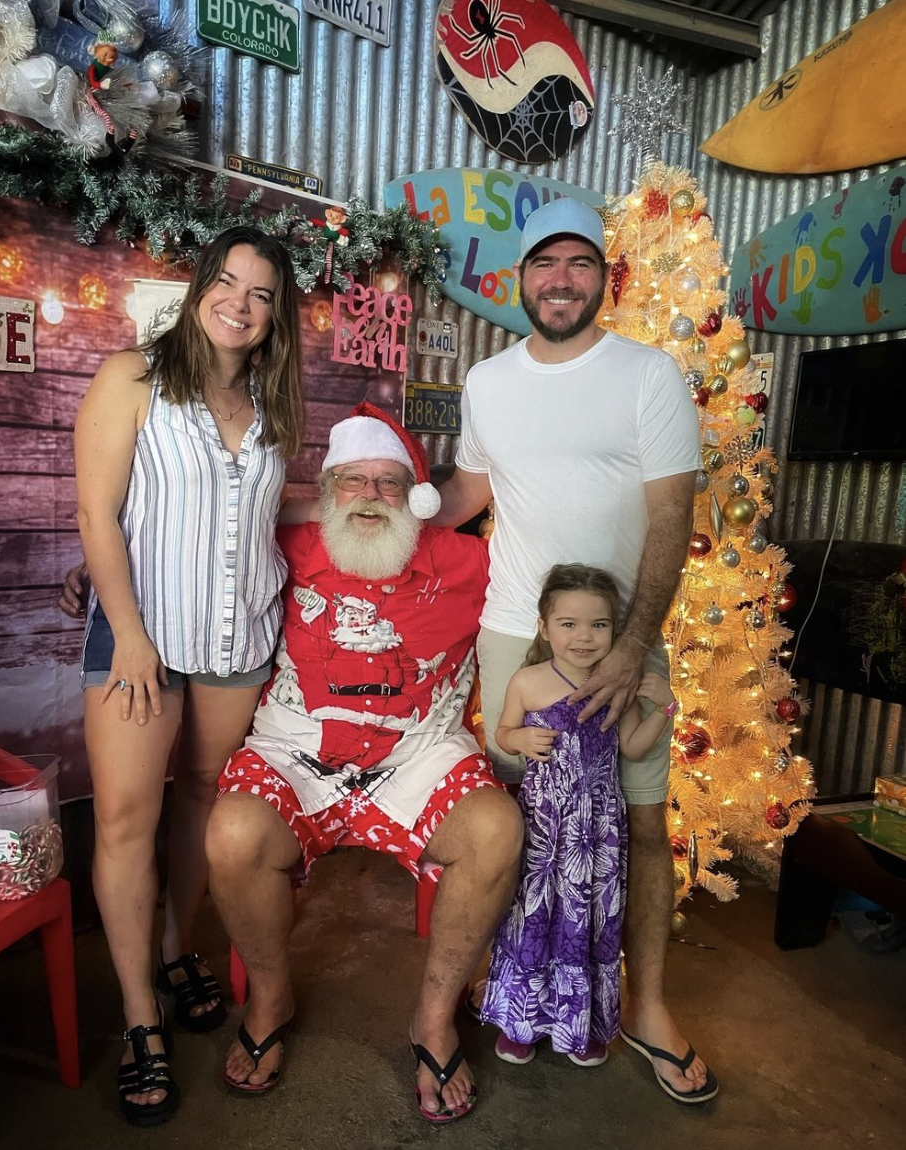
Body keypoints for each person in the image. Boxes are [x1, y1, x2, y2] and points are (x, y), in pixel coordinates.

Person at [433, 196, 717, 1103]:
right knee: (513, 822)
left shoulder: (649, 375)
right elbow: (464, 492)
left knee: (637, 820)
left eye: (579, 264)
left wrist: (636, 644)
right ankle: (516, 981)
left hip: (620, 637)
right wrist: (354, 503)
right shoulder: (488, 384)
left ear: (605, 276)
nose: (560, 280)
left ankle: (646, 1006)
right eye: (545, 264)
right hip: (515, 629)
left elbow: (674, 513)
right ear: (520, 278)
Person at [205, 402, 523, 1123]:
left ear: (418, 495)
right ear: (324, 491)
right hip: (298, 752)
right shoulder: (281, 542)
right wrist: (93, 579)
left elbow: (556, 562)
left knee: (496, 832)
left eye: (389, 482)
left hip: (419, 756)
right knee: (230, 834)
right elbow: (199, 531)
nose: (371, 496)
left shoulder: (474, 562)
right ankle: (271, 996)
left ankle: (434, 1019)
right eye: (352, 481)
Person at [72, 225, 304, 1126]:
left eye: (260, 292)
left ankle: (176, 952)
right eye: (228, 281)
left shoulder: (274, 405)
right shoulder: (131, 377)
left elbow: (270, 505)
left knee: (203, 796)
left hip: (238, 637)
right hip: (145, 641)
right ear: (201, 284)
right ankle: (140, 1020)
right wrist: (126, 630)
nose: (239, 302)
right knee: (128, 819)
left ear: (274, 313)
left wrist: (367, 493)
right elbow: (97, 511)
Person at [482, 563, 679, 1073]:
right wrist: (520, 740)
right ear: (545, 628)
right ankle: (519, 1023)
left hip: (598, 834)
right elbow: (502, 732)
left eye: (599, 625)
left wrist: (664, 709)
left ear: (616, 631)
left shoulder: (616, 684)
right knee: (533, 918)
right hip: (545, 828)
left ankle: (583, 1023)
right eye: (568, 624)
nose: (583, 637)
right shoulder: (528, 681)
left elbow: (633, 748)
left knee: (588, 923)